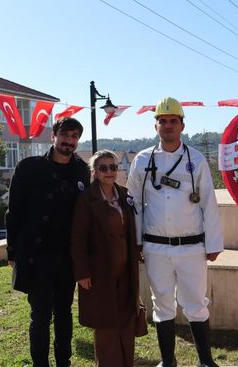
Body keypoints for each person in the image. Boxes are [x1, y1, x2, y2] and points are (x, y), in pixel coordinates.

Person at [127, 97, 224, 367]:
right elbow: (134, 204)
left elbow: (208, 203)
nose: (168, 126)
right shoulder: (142, 160)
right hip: (155, 247)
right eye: (163, 121)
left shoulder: (197, 159)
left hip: (191, 247)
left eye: (173, 121)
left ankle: (206, 361)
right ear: (155, 125)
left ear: (182, 125)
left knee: (196, 304)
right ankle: (168, 362)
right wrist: (136, 242)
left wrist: (213, 242)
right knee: (163, 304)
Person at [5, 117, 89, 367]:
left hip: (66, 256)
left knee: (63, 314)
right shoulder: (28, 167)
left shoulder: (82, 170)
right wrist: (12, 251)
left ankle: (64, 362)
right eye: (65, 135)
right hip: (37, 254)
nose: (69, 141)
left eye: (74, 137)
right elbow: (14, 211)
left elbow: (85, 215)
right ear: (54, 135)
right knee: (40, 316)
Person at [70, 150, 141, 367]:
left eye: (113, 167)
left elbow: (132, 231)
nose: (109, 171)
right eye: (103, 168)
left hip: (126, 270)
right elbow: (77, 237)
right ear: (95, 172)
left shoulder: (124, 195)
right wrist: (81, 272)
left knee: (126, 320)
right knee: (106, 323)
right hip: (99, 272)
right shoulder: (86, 199)